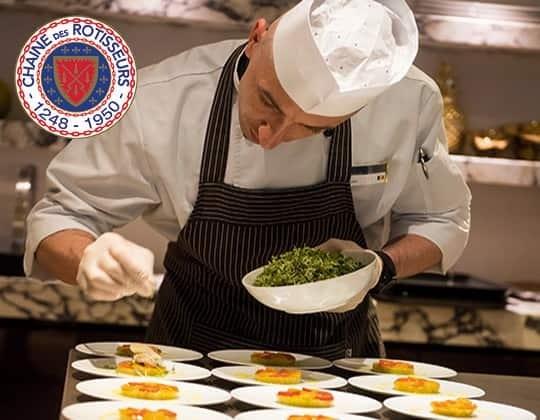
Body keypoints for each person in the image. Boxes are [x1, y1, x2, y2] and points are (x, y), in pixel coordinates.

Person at [25, 0, 471, 358]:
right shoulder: (161, 99)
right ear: (257, 37)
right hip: (186, 364)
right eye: (268, 101)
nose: (270, 137)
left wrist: (379, 268)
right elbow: (59, 218)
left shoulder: (409, 102)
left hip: (336, 372)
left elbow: (440, 220)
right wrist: (85, 258)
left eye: (311, 128)